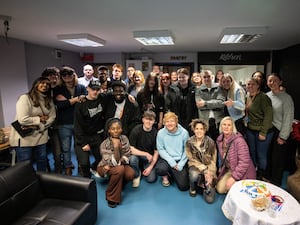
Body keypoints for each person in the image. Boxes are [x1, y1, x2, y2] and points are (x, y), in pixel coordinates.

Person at [10, 76, 56, 171]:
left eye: (47, 84)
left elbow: (52, 117)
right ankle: (26, 184)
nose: (45, 85)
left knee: (42, 161)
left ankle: (41, 182)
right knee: (25, 164)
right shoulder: (25, 98)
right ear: (36, 85)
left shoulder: (49, 100)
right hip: (25, 138)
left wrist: (40, 124)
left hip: (41, 137)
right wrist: (39, 119)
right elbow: (22, 119)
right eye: (42, 83)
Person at [53, 66, 87, 175]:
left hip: (79, 122)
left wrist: (68, 101)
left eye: (69, 74)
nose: (67, 76)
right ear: (61, 77)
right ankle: (68, 166)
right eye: (64, 75)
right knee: (66, 147)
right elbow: (60, 106)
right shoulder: (58, 89)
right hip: (64, 123)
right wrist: (76, 99)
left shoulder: (81, 87)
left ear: (74, 75)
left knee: (79, 146)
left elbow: (85, 102)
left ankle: (81, 165)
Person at [97, 118, 135, 208]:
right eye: (113, 129)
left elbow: (127, 155)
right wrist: (116, 147)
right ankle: (111, 196)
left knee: (130, 173)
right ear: (109, 130)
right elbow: (110, 161)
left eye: (118, 128)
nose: (116, 131)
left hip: (114, 166)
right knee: (120, 169)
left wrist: (118, 161)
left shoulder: (124, 138)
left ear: (121, 129)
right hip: (103, 167)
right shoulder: (104, 144)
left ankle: (118, 184)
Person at [74, 80, 107, 178]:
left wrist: (128, 95)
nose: (95, 92)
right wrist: (83, 143)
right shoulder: (81, 104)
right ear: (87, 89)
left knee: (102, 159)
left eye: (97, 89)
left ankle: (93, 167)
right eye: (93, 89)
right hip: (83, 136)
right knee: (84, 163)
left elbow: (116, 93)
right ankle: (87, 180)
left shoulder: (102, 98)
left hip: (96, 135)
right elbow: (77, 125)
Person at [266, 73, 294, 186]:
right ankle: (268, 179)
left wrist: (283, 136)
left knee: (278, 159)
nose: (272, 83)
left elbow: (289, 117)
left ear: (280, 82)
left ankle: (276, 182)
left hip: (280, 131)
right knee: (269, 156)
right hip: (269, 130)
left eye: (275, 80)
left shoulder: (286, 98)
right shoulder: (267, 96)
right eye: (270, 81)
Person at [216, 116, 256, 194]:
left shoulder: (239, 141)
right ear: (221, 126)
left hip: (243, 172)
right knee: (220, 189)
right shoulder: (220, 140)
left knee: (232, 189)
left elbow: (244, 163)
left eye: (229, 125)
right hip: (231, 169)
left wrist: (233, 178)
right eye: (224, 124)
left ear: (233, 127)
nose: (226, 127)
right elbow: (222, 158)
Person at [245, 77, 273, 180]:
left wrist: (263, 132)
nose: (250, 86)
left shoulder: (263, 97)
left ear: (258, 86)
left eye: (253, 84)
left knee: (261, 155)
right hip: (251, 130)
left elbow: (269, 115)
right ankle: (253, 173)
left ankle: (262, 176)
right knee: (252, 152)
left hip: (263, 131)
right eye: (248, 84)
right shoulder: (247, 96)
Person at [156, 112, 189, 191]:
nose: (169, 123)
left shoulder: (184, 133)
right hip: (167, 159)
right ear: (164, 123)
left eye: (172, 121)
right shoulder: (161, 133)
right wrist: (171, 162)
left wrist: (181, 164)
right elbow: (161, 149)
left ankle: (172, 172)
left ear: (176, 122)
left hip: (180, 159)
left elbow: (187, 149)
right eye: (167, 121)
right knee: (160, 169)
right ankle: (166, 175)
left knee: (184, 187)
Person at [185, 119, 217, 203]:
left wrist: (211, 173)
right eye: (197, 129)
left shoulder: (211, 142)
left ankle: (205, 184)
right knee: (194, 175)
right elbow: (191, 159)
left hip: (209, 168)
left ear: (205, 130)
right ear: (193, 129)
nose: (199, 131)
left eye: (201, 129)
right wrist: (204, 169)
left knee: (210, 200)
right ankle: (193, 186)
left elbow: (213, 160)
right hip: (195, 166)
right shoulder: (189, 142)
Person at [129, 110, 159, 187]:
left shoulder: (155, 133)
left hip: (148, 159)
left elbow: (156, 152)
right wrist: (145, 154)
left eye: (151, 120)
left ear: (154, 121)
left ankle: (144, 167)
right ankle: (137, 174)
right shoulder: (136, 130)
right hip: (137, 155)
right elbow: (131, 149)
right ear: (143, 120)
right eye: (146, 119)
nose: (148, 122)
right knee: (132, 159)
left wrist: (150, 167)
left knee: (151, 179)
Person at [41, 66, 62, 173]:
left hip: (56, 125)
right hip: (42, 126)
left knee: (57, 152)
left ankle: (58, 171)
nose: (54, 78)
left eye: (56, 76)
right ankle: (45, 171)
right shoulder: (41, 91)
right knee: (41, 153)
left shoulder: (60, 90)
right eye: (51, 76)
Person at [196, 70, 226, 141]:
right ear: (202, 78)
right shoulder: (198, 89)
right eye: (204, 77)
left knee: (219, 142)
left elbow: (221, 103)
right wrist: (214, 103)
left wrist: (205, 103)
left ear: (212, 77)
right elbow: (199, 105)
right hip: (204, 122)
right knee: (206, 144)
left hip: (218, 121)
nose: (206, 79)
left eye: (208, 76)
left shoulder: (219, 87)